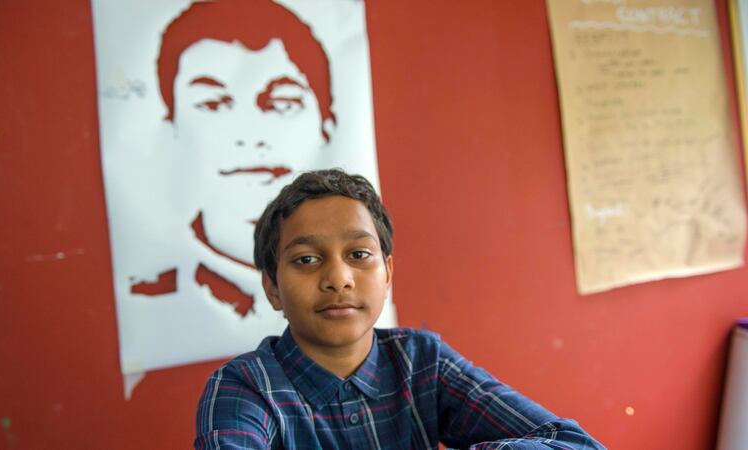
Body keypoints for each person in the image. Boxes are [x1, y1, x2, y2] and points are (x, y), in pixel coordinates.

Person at [194, 169, 605, 449]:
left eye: (358, 253)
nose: (339, 278)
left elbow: (573, 443)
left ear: (387, 273)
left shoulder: (422, 361)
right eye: (306, 259)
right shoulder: (243, 388)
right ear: (272, 287)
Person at [134, 0, 338, 319]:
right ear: (170, 130)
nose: (249, 133)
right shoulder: (149, 299)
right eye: (212, 104)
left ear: (327, 126)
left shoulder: (357, 284)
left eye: (282, 103)